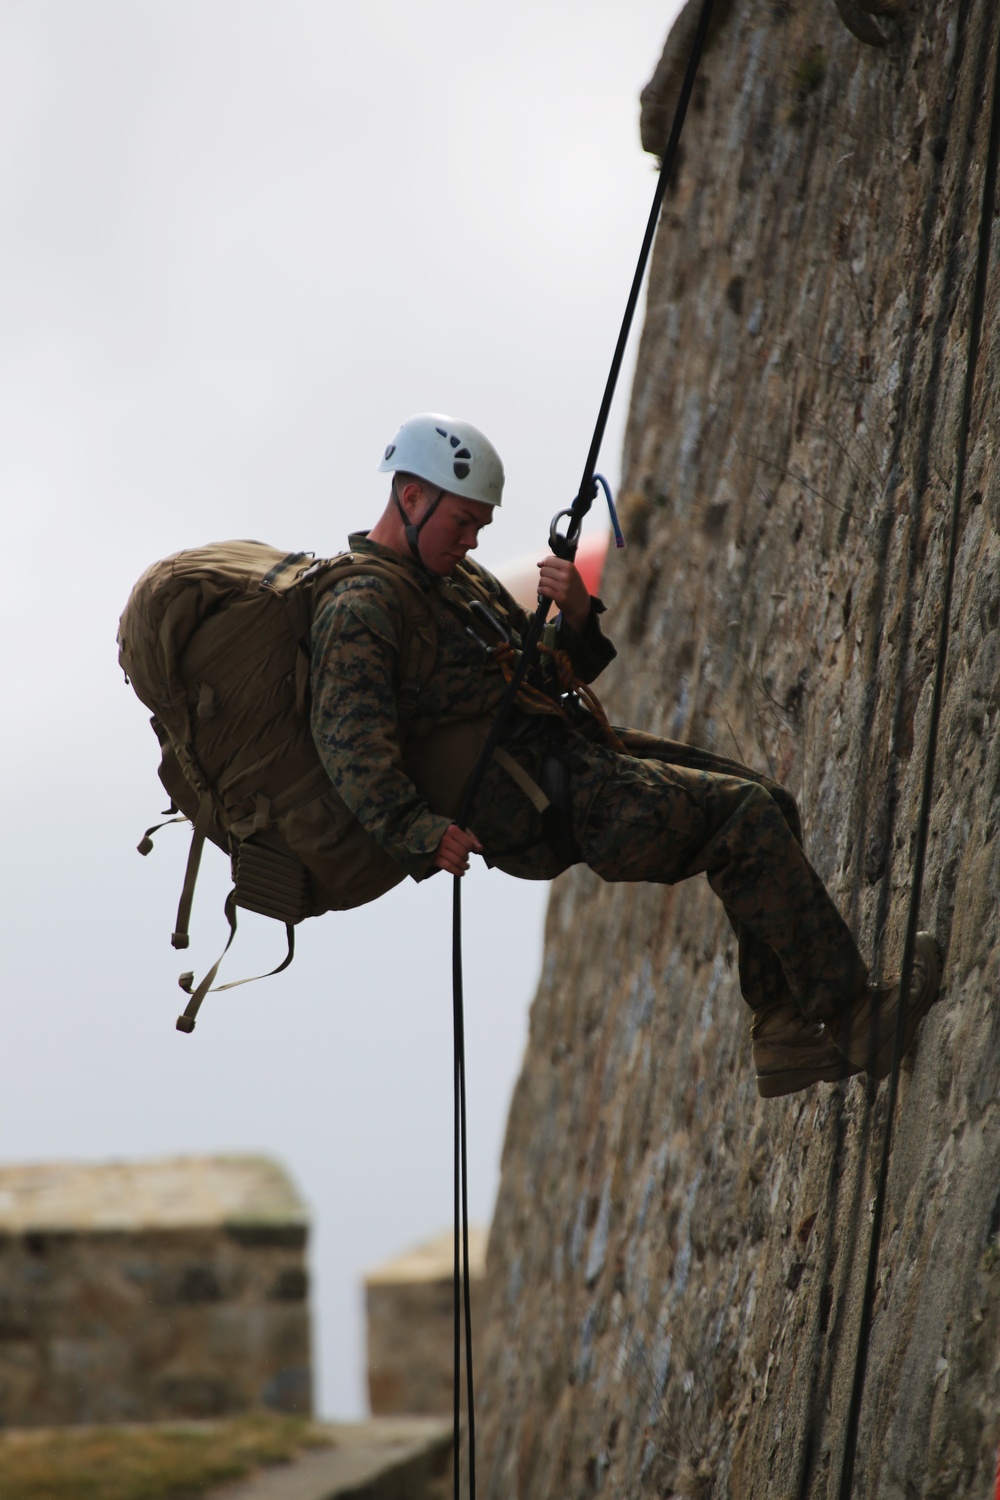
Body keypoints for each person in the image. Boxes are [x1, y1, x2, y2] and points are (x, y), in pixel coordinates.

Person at [309, 413, 942, 1097]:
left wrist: (576, 618)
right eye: (461, 523)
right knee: (743, 819)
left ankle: (785, 1030)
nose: (471, 541)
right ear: (410, 497)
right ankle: (854, 1017)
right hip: (544, 799)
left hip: (572, 756)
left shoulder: (452, 585)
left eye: (479, 528)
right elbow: (349, 742)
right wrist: (419, 833)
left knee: (768, 805)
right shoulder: (360, 608)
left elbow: (539, 672)